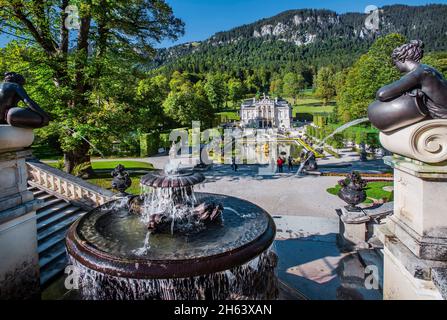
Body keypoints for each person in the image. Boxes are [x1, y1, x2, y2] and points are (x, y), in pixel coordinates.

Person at [368, 40, 447, 133]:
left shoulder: (419, 73)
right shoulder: (428, 69)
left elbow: (382, 94)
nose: (395, 66)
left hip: (442, 117)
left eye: (394, 62)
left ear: (401, 59)